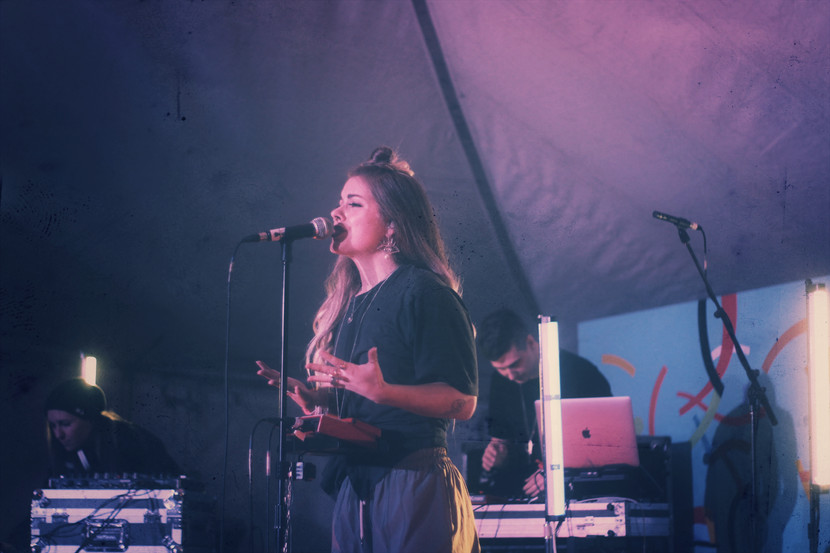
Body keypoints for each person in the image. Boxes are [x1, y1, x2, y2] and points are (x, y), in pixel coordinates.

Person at [257, 146, 480, 553]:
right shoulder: (351, 303)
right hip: (359, 485)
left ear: (392, 225)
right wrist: (321, 402)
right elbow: (367, 406)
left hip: (414, 481)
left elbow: (462, 402)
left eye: (353, 203)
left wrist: (382, 391)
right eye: (339, 202)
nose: (336, 213)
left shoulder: (426, 293)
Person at [475, 308, 612, 500]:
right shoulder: (502, 381)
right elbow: (501, 439)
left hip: (576, 493)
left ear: (531, 342)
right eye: (501, 369)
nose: (510, 375)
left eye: (515, 364)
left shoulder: (581, 373)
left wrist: (557, 473)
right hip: (523, 492)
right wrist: (497, 453)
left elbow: (605, 443)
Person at [45, 378, 181, 477]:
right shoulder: (74, 452)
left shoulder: (126, 440)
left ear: (90, 420)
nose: (58, 434)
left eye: (65, 424)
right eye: (53, 426)